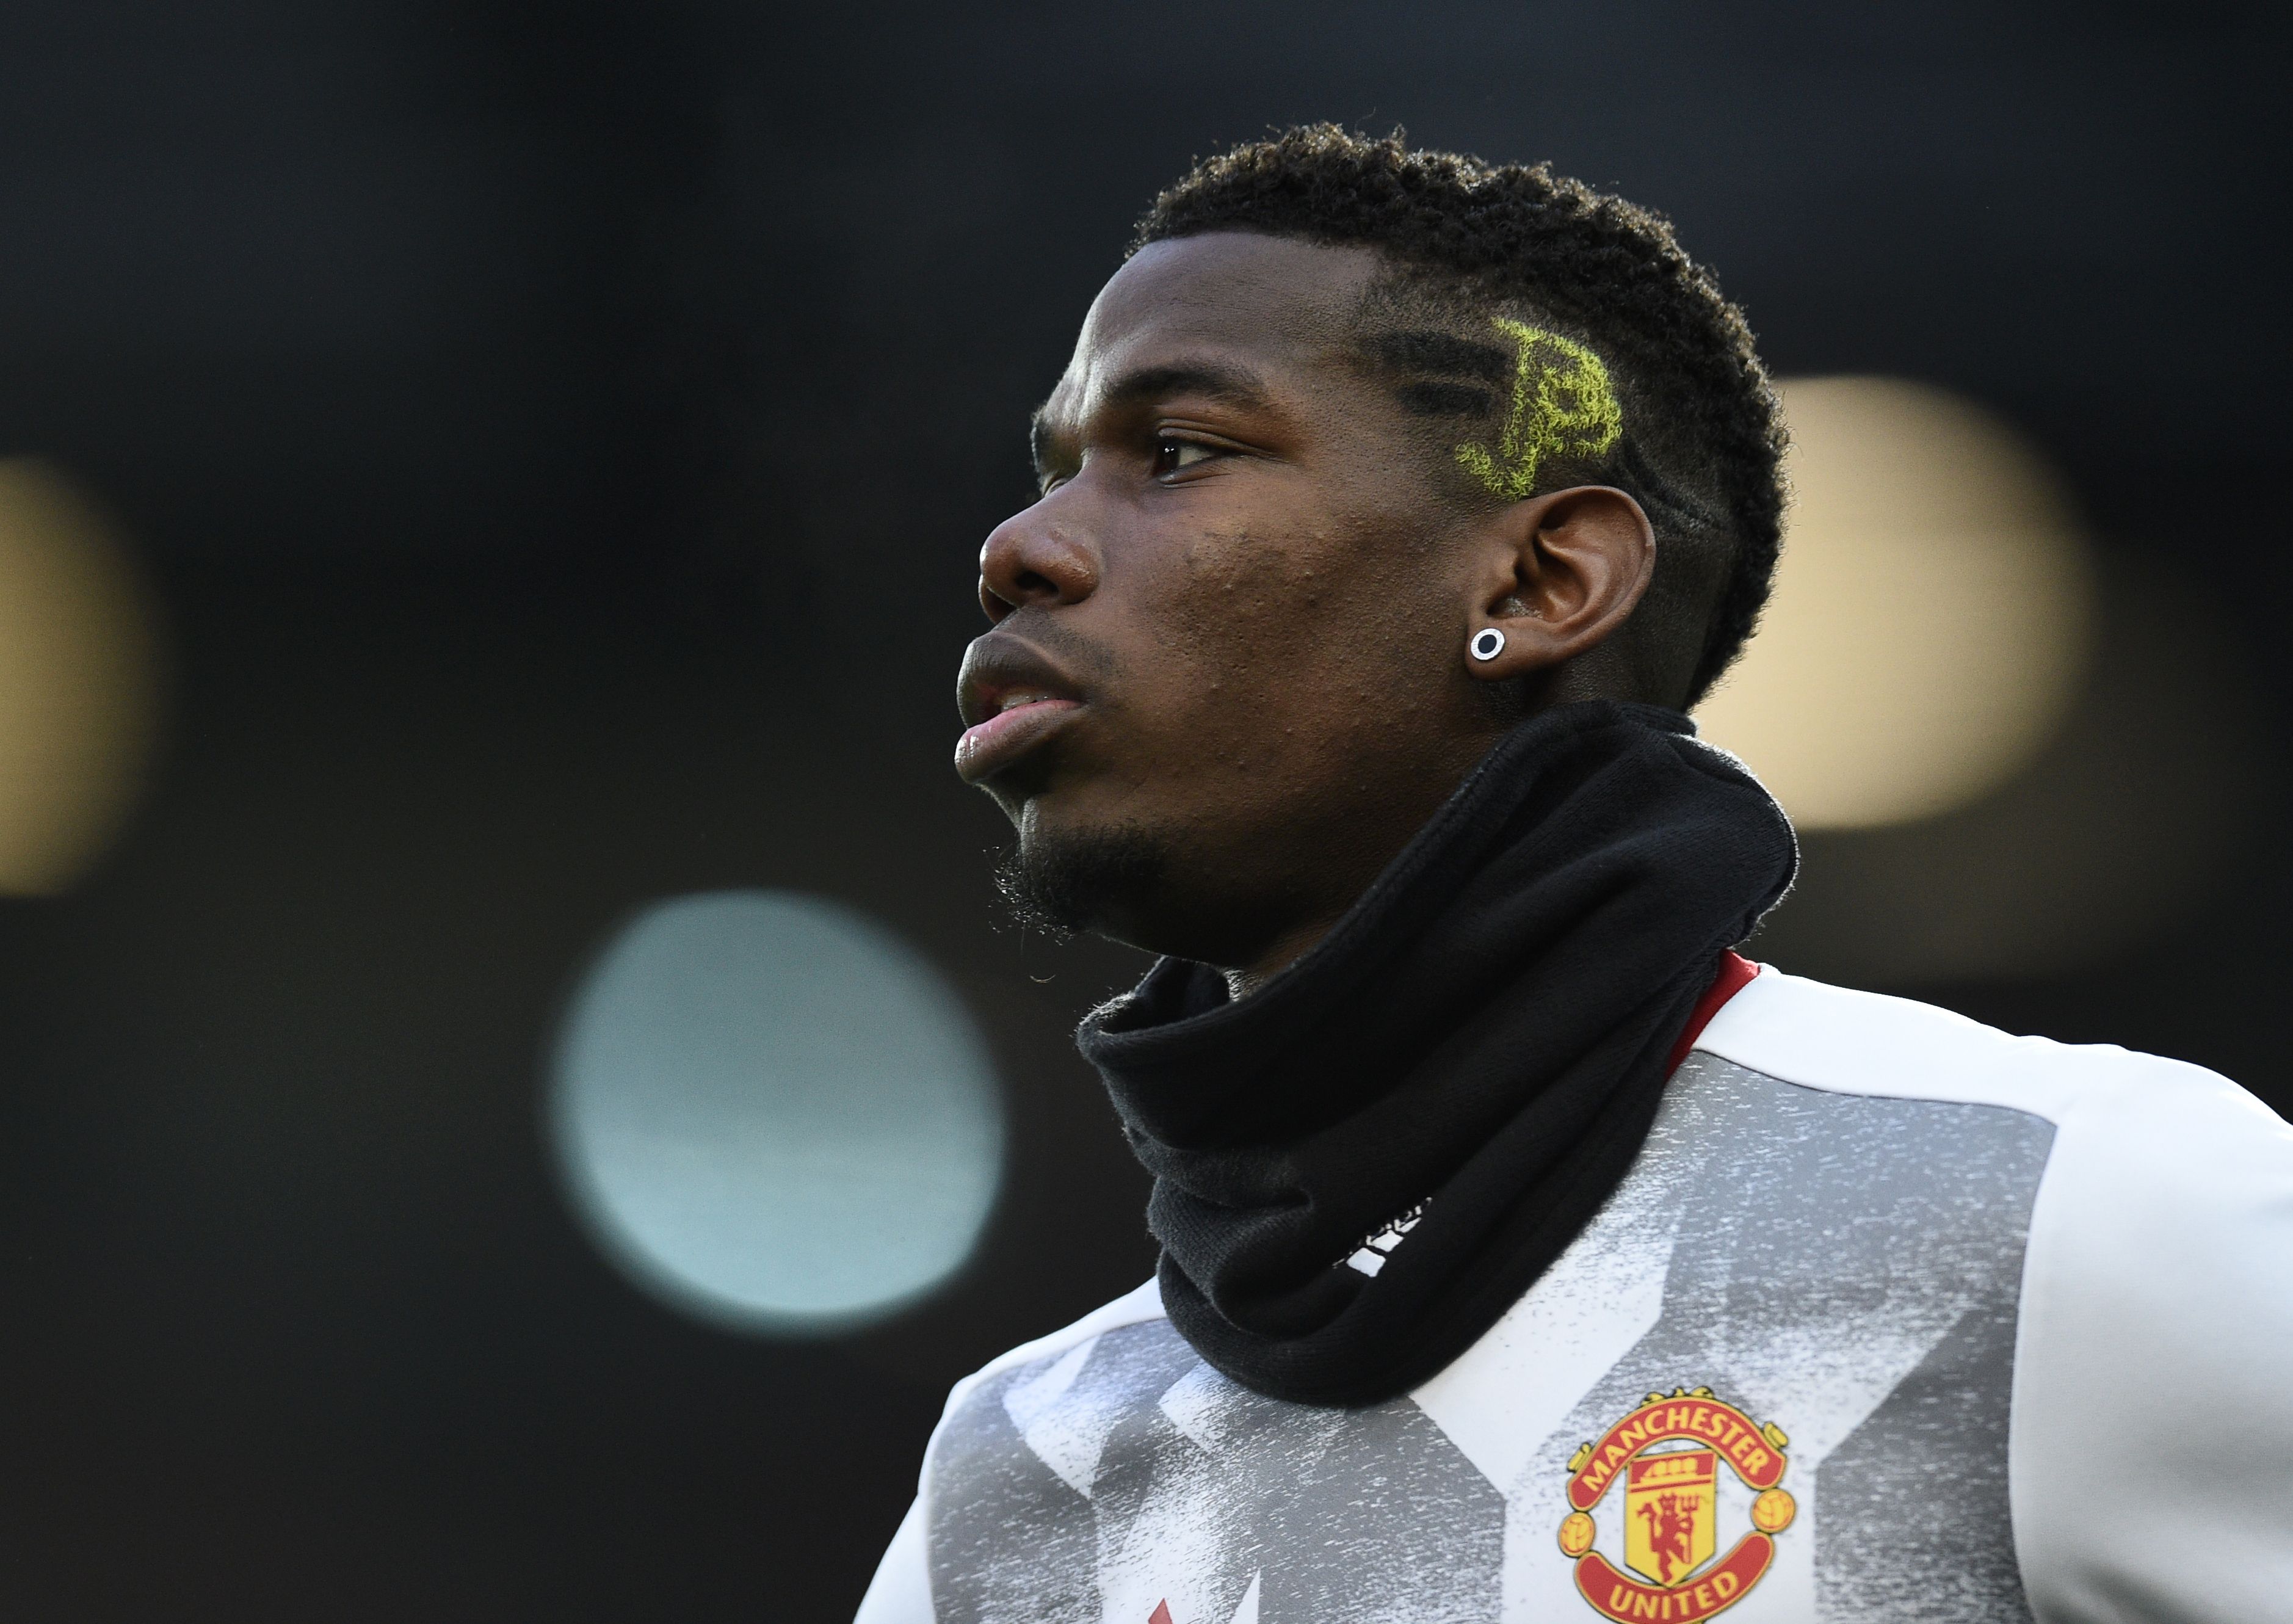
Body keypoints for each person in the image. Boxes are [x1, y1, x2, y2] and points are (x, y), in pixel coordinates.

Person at [855, 127, 2293, 1624]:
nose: (1019, 547)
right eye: (1055, 470)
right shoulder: (1021, 1479)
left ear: (1541, 584)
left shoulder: (2060, 1214)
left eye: (1182, 453)